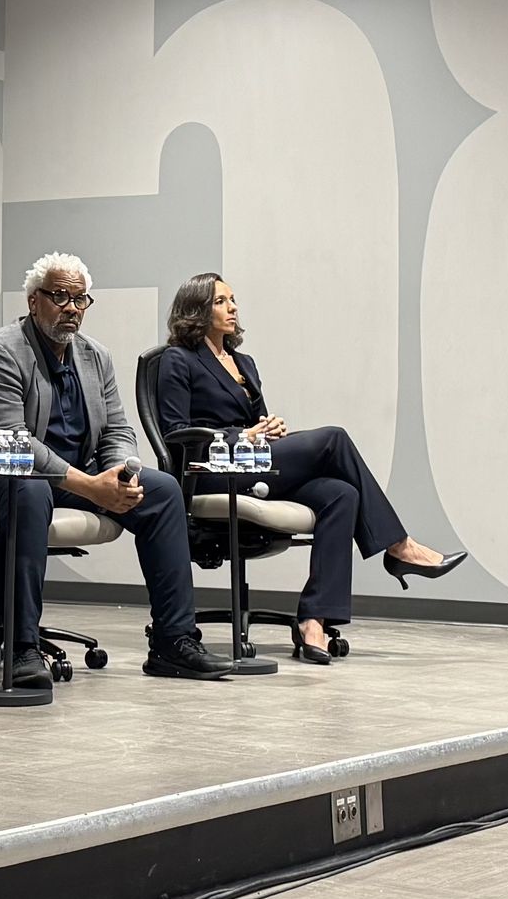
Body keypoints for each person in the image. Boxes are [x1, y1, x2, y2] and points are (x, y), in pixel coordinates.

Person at [0, 252, 233, 687]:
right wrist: (91, 488)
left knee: (162, 491)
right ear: (33, 300)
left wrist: (119, 473)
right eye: (59, 296)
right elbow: (14, 444)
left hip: (79, 478)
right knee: (30, 488)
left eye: (80, 299)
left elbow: (117, 427)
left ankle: (174, 642)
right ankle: (22, 647)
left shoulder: (95, 356)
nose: (72, 308)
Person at [156, 273, 467, 663]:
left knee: (342, 494)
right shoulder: (177, 360)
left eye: (233, 300)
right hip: (214, 470)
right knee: (334, 438)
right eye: (221, 301)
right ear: (197, 309)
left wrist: (269, 428)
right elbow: (176, 433)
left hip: (257, 464)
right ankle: (399, 546)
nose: (233, 307)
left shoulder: (243, 363)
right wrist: (244, 435)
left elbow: (258, 421)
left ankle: (314, 619)